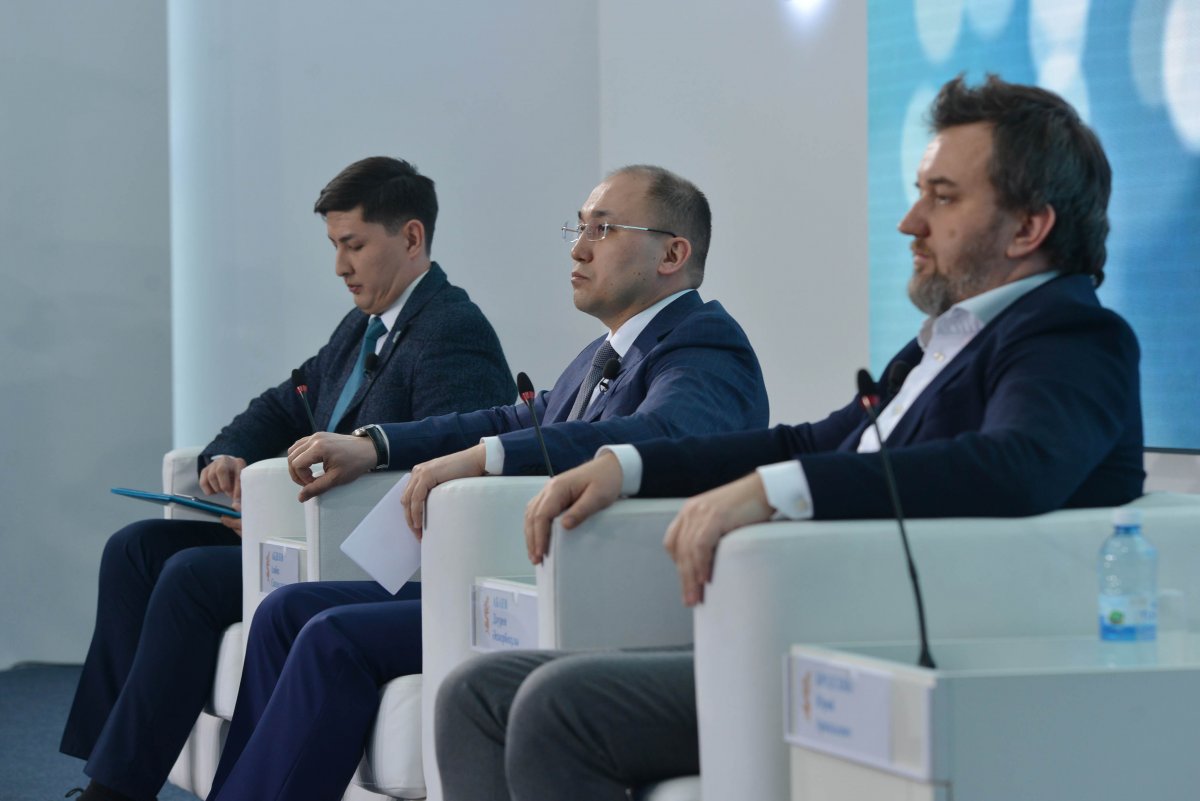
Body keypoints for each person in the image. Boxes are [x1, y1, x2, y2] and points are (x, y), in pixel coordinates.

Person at [436, 76, 1145, 801]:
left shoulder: (1074, 335)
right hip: (814, 619)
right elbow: (809, 441)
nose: (910, 222)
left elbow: (1015, 466)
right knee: (477, 692)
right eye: (918, 194)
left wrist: (779, 493)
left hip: (902, 654)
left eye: (943, 198)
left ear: (1028, 228)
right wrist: (629, 466)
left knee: (558, 707)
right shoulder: (942, 342)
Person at [204, 165, 770, 801]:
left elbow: (663, 434)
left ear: (672, 253)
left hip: (601, 596)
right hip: (529, 577)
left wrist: (482, 459)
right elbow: (509, 418)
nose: (579, 250)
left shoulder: (704, 346)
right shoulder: (603, 354)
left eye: (604, 230)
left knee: (332, 636)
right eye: (579, 229)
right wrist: (377, 445)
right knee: (288, 610)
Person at [60, 156, 516, 801]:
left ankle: (114, 792)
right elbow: (285, 403)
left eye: (353, 245)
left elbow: (446, 464)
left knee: (189, 577)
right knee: (135, 549)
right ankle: (109, 766)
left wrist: (281, 513)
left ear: (412, 237)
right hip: (301, 531)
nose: (340, 266)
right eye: (334, 246)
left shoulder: (452, 331)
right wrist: (230, 454)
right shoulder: (363, 325)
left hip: (359, 554)